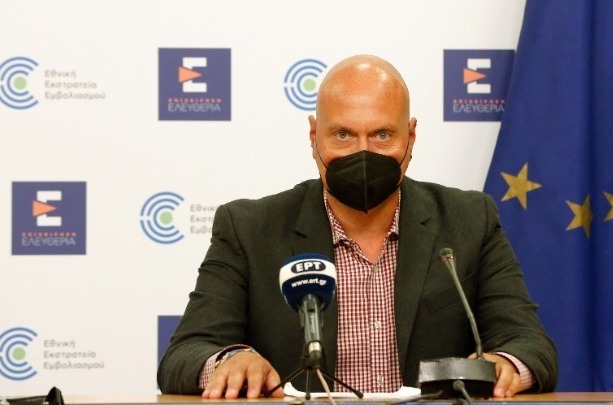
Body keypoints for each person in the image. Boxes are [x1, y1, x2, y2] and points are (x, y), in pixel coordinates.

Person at [157, 54, 558, 399]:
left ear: (410, 137)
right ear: (314, 137)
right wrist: (230, 361)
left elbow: (529, 344)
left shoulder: (468, 219)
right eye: (343, 134)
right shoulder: (249, 229)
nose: (363, 153)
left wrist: (505, 364)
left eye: (382, 134)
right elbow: (184, 355)